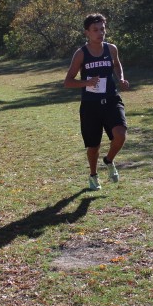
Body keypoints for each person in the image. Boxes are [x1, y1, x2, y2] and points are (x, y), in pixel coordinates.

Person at [63, 13, 130, 191]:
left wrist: (121, 78)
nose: (100, 33)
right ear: (87, 32)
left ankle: (109, 160)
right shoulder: (81, 54)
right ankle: (93, 175)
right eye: (95, 30)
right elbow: (68, 82)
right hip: (90, 105)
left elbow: (117, 65)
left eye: (102, 29)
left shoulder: (111, 49)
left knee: (121, 135)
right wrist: (86, 83)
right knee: (93, 146)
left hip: (111, 100)